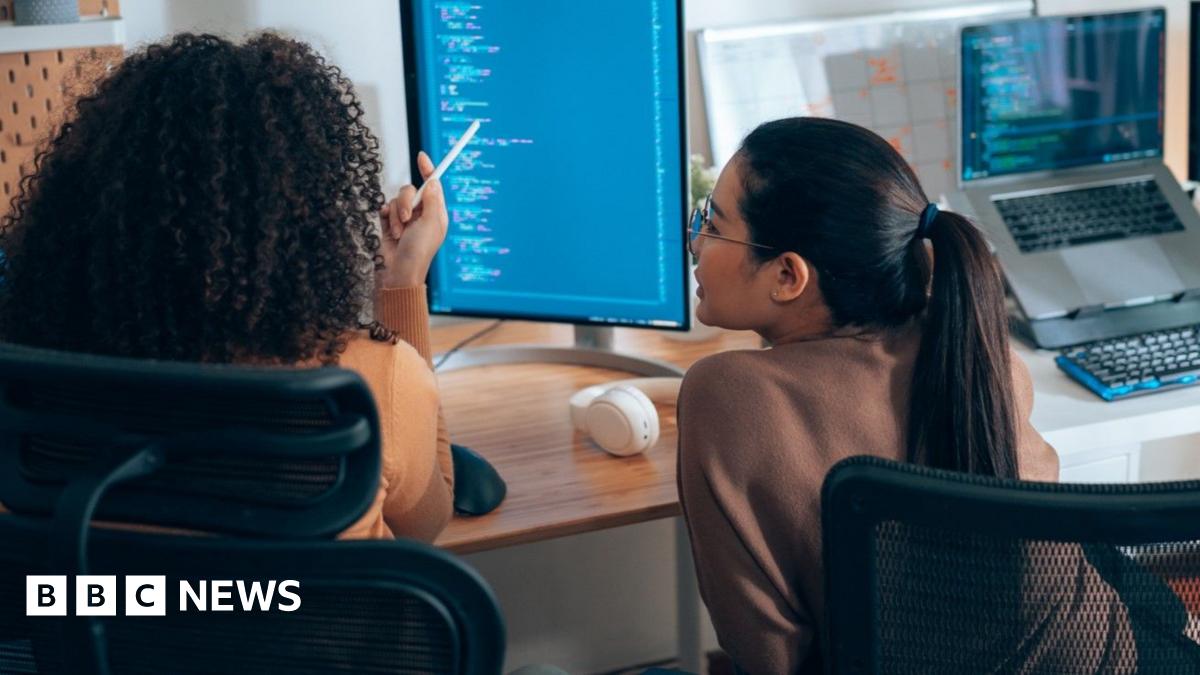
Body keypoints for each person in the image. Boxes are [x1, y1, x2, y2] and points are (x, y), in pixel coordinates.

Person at [676, 117, 1138, 673]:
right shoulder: (978, 355)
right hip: (1114, 655)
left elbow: (767, 659)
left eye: (713, 223)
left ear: (788, 276)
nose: (695, 240)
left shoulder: (724, 393)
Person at [0, 32, 453, 541]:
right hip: (298, 598)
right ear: (307, 220)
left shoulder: (29, 379)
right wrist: (403, 282)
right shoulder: (365, 382)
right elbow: (425, 527)